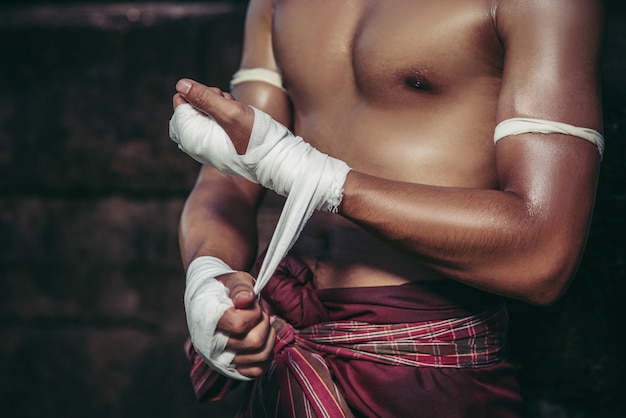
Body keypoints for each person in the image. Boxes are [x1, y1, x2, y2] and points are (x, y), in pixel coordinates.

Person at [170, 0, 605, 416]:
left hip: (425, 363)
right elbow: (228, 174)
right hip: (286, 344)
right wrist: (207, 278)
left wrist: (313, 177)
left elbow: (543, 252)